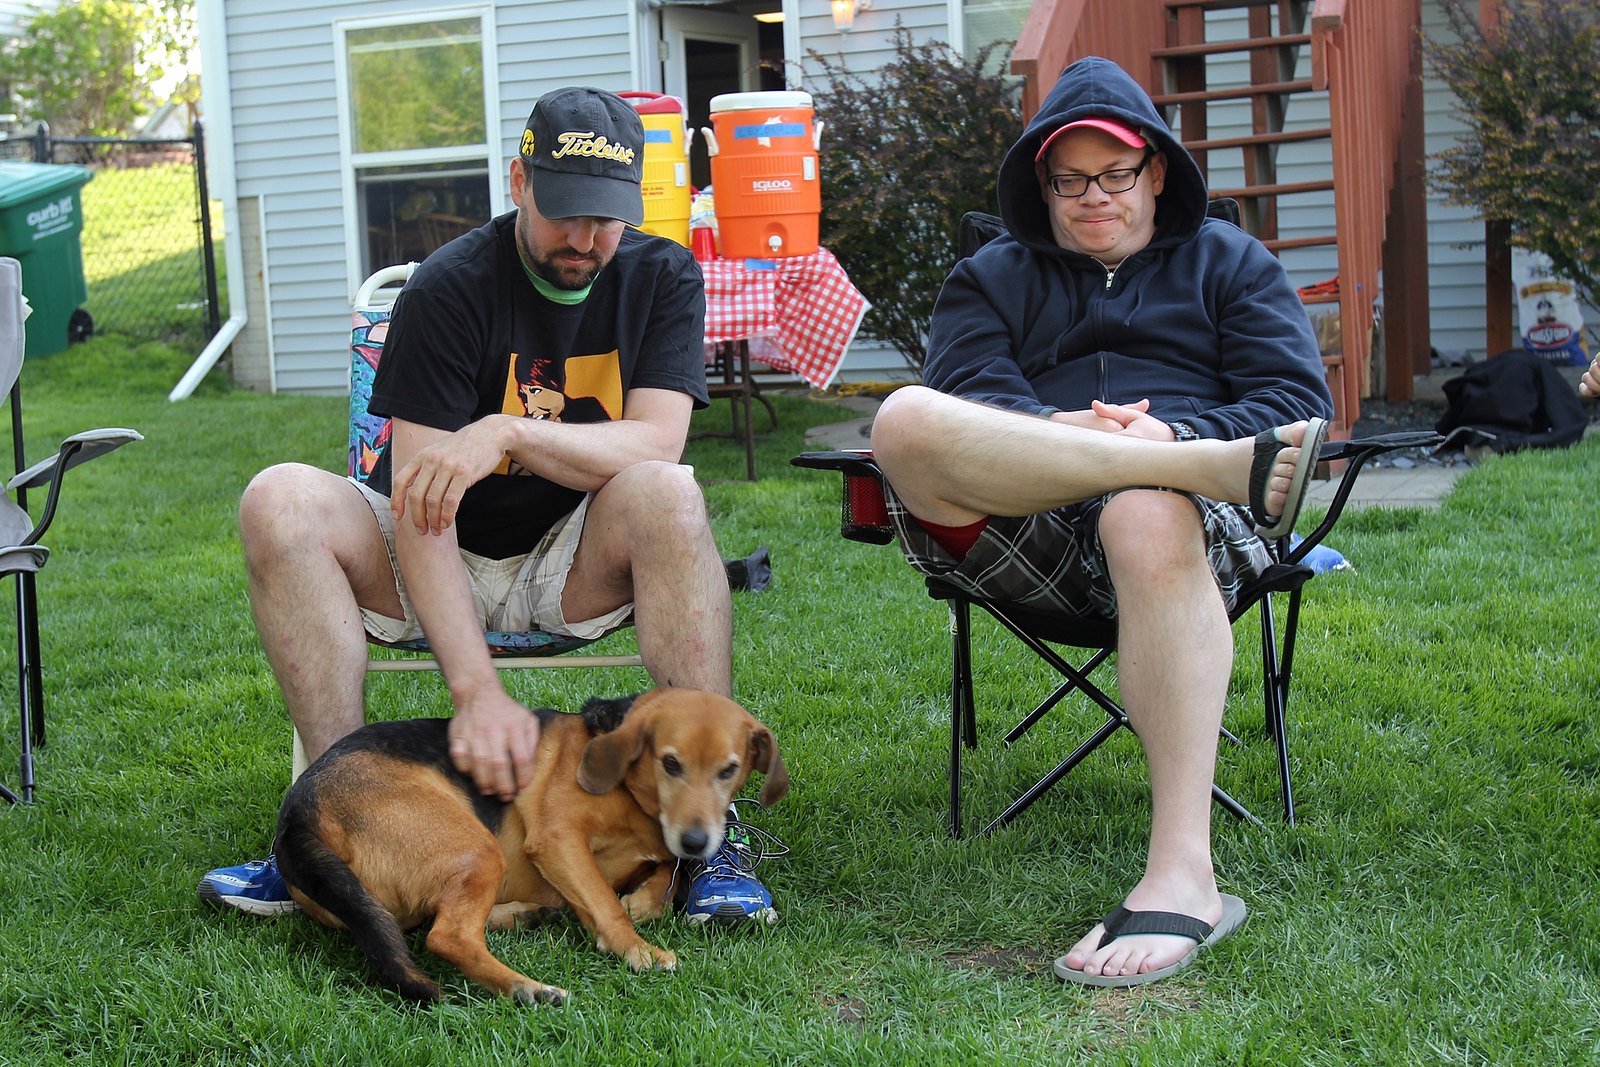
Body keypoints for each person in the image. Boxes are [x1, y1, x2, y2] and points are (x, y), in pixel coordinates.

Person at [198, 87, 781, 925]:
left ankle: (710, 848)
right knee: (277, 498)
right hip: (427, 553)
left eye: (606, 219)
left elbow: (658, 443)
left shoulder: (662, 274)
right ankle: (332, 829)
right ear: (519, 181)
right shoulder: (450, 285)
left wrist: (505, 431)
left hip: (572, 556)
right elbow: (419, 507)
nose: (584, 239)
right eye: (565, 213)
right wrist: (475, 691)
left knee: (670, 490)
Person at [868, 56, 1334, 987]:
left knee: (1146, 510)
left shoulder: (1231, 263)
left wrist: (1176, 437)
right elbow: (968, 400)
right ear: (1041, 184)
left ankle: (1185, 876)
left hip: (1197, 523)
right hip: (1030, 523)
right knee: (904, 419)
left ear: (1155, 170)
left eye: (1115, 174)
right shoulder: (989, 277)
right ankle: (1168, 465)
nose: (1094, 198)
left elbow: (1296, 406)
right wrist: (1069, 432)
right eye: (1070, 181)